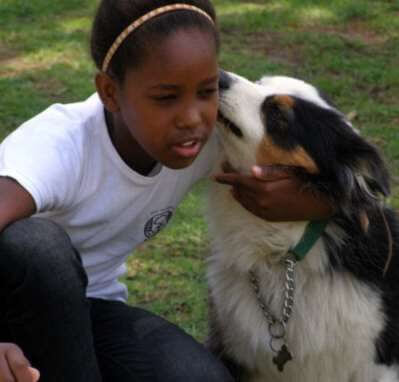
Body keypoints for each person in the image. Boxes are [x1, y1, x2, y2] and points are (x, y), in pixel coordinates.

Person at [0, 0, 333, 381]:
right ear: (110, 92)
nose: (192, 118)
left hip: (89, 312)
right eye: (165, 97)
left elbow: (323, 187)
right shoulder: (57, 147)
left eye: (207, 91)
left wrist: (316, 202)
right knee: (35, 244)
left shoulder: (203, 141)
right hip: (11, 312)